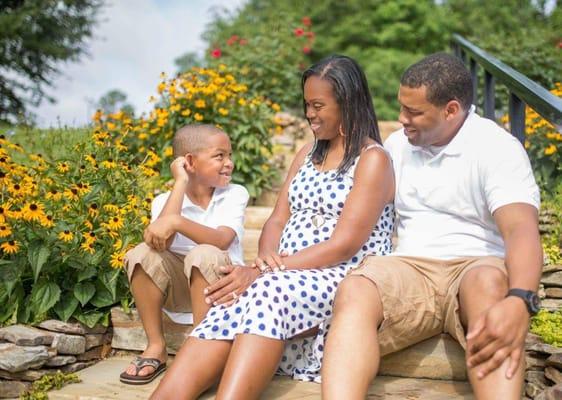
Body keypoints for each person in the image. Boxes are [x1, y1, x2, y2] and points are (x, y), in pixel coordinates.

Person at [150, 55, 395, 399]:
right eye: (307, 104)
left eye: (318, 105)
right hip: (284, 269)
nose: (309, 113)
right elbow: (277, 218)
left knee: (265, 290)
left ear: (348, 102)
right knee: (232, 294)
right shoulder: (308, 153)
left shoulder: (373, 160)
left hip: (342, 274)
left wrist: (263, 272)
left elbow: (344, 245)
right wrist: (264, 260)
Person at [322, 53, 542, 400]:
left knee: (488, 284)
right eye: (401, 107)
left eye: (414, 112)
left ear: (451, 110)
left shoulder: (497, 148)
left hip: (475, 266)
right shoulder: (398, 146)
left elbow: (521, 230)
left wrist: (520, 300)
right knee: (357, 287)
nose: (401, 119)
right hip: (410, 267)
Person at [119, 124, 249, 385]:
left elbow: (222, 240)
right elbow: (159, 242)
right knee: (140, 253)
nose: (229, 163)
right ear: (190, 161)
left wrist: (177, 222)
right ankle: (156, 345)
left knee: (203, 253)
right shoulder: (164, 201)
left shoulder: (235, 193)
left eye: (229, 155)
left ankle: (201, 350)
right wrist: (180, 183)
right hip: (179, 292)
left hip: (223, 290)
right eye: (219, 156)